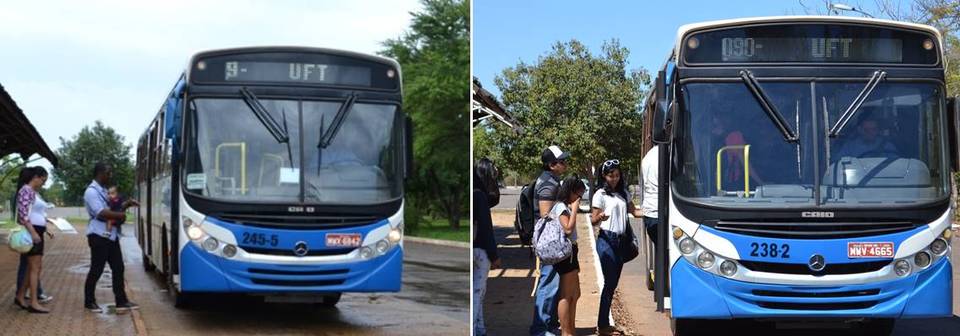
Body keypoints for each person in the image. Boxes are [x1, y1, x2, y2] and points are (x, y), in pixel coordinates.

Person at [591, 160, 643, 336]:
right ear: (604, 176)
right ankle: (603, 325)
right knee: (610, 282)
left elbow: (635, 212)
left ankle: (604, 324)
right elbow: (592, 219)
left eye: (617, 175)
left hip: (622, 241)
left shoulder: (624, 193)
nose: (614, 178)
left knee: (612, 284)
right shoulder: (600, 194)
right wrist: (600, 218)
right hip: (606, 240)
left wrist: (656, 212)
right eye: (610, 175)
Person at [83, 162, 139, 313]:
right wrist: (121, 215)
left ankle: (121, 301)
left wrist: (126, 205)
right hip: (98, 235)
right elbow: (101, 212)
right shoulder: (91, 191)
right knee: (97, 269)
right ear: (100, 173)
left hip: (111, 236)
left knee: (118, 267)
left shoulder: (103, 190)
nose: (110, 175)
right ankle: (89, 301)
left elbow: (112, 209)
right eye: (108, 173)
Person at [530, 145, 571, 336]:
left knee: (553, 283)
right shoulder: (548, 184)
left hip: (552, 241)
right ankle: (540, 329)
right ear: (551, 164)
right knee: (548, 285)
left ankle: (549, 324)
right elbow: (546, 214)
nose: (565, 164)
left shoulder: (552, 180)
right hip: (549, 242)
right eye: (561, 161)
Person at [13, 167, 53, 307]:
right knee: (35, 268)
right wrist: (34, 233)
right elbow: (23, 215)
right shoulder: (26, 190)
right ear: (36, 177)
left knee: (32, 267)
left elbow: (36, 213)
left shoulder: (33, 192)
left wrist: (44, 228)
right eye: (43, 180)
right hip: (33, 232)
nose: (43, 183)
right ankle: (34, 302)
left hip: (37, 231)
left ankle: (20, 296)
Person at [552, 176, 585, 336]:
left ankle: (570, 328)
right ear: (571, 192)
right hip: (566, 254)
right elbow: (568, 229)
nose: (579, 198)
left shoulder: (564, 206)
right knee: (566, 294)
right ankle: (566, 332)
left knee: (575, 293)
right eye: (578, 195)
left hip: (572, 251)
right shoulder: (560, 207)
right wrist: (575, 209)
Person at [473, 158, 501, 336]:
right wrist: (494, 255)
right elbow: (486, 229)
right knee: (477, 292)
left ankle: (480, 328)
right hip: (480, 252)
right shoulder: (479, 196)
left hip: (475, 249)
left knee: (479, 293)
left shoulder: (474, 194)